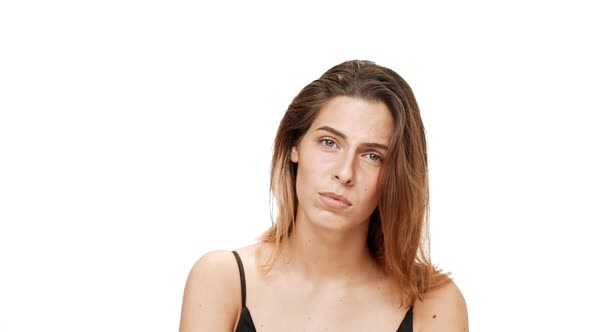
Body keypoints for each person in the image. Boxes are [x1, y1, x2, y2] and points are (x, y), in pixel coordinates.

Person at [179, 60, 469, 331]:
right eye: (329, 142)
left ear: (396, 176)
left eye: (373, 156)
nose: (345, 173)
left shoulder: (434, 304)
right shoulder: (220, 280)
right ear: (296, 146)